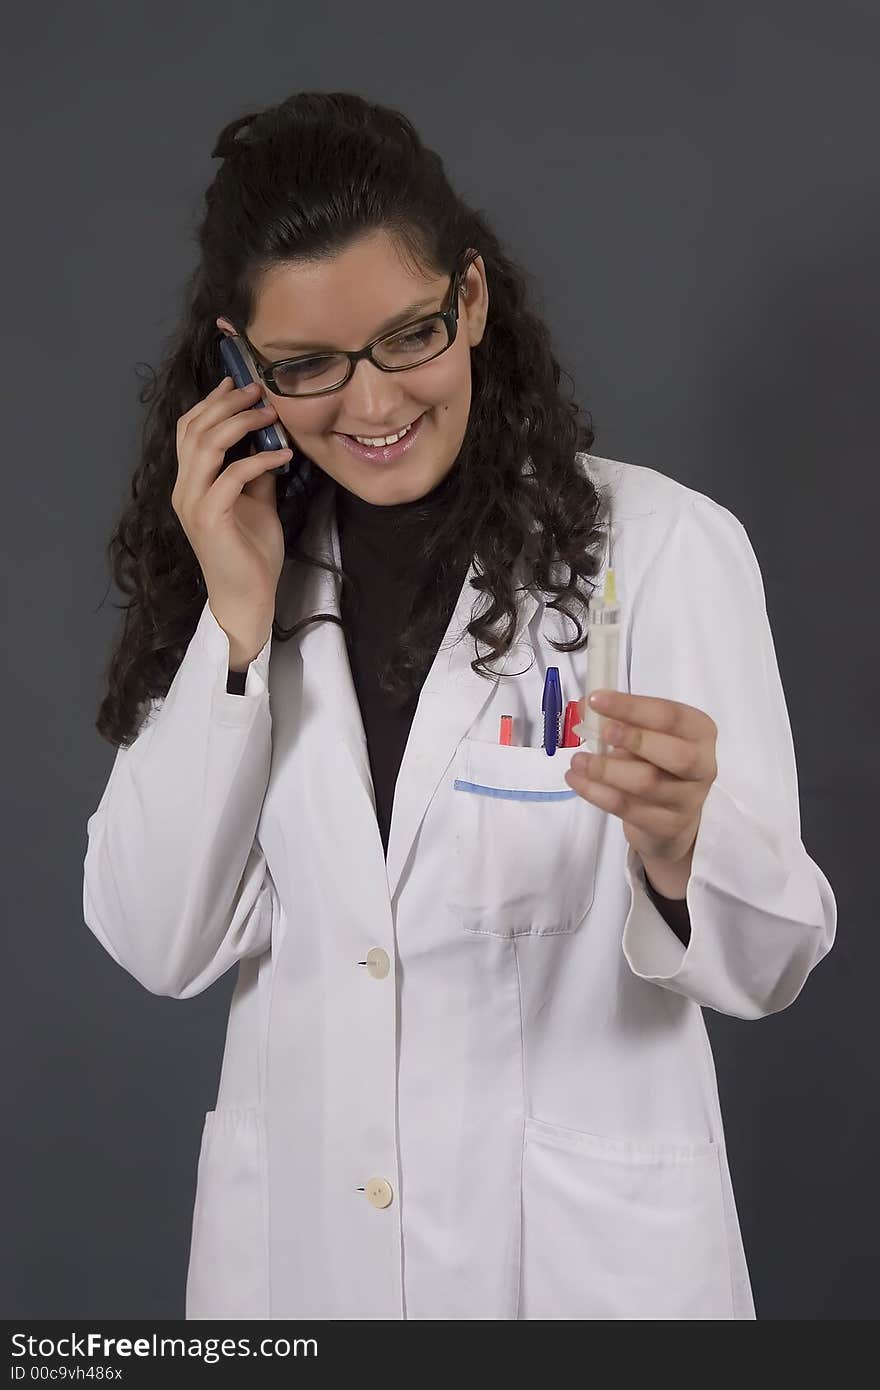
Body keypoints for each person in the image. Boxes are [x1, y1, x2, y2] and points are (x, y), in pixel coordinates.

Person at [83, 91, 837, 1320]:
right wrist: (230, 617)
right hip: (303, 1275)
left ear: (471, 302)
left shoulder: (658, 552)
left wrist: (681, 849)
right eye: (307, 366)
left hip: (585, 1279)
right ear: (238, 363)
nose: (372, 406)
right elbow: (156, 941)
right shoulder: (244, 584)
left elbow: (774, 960)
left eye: (407, 337)